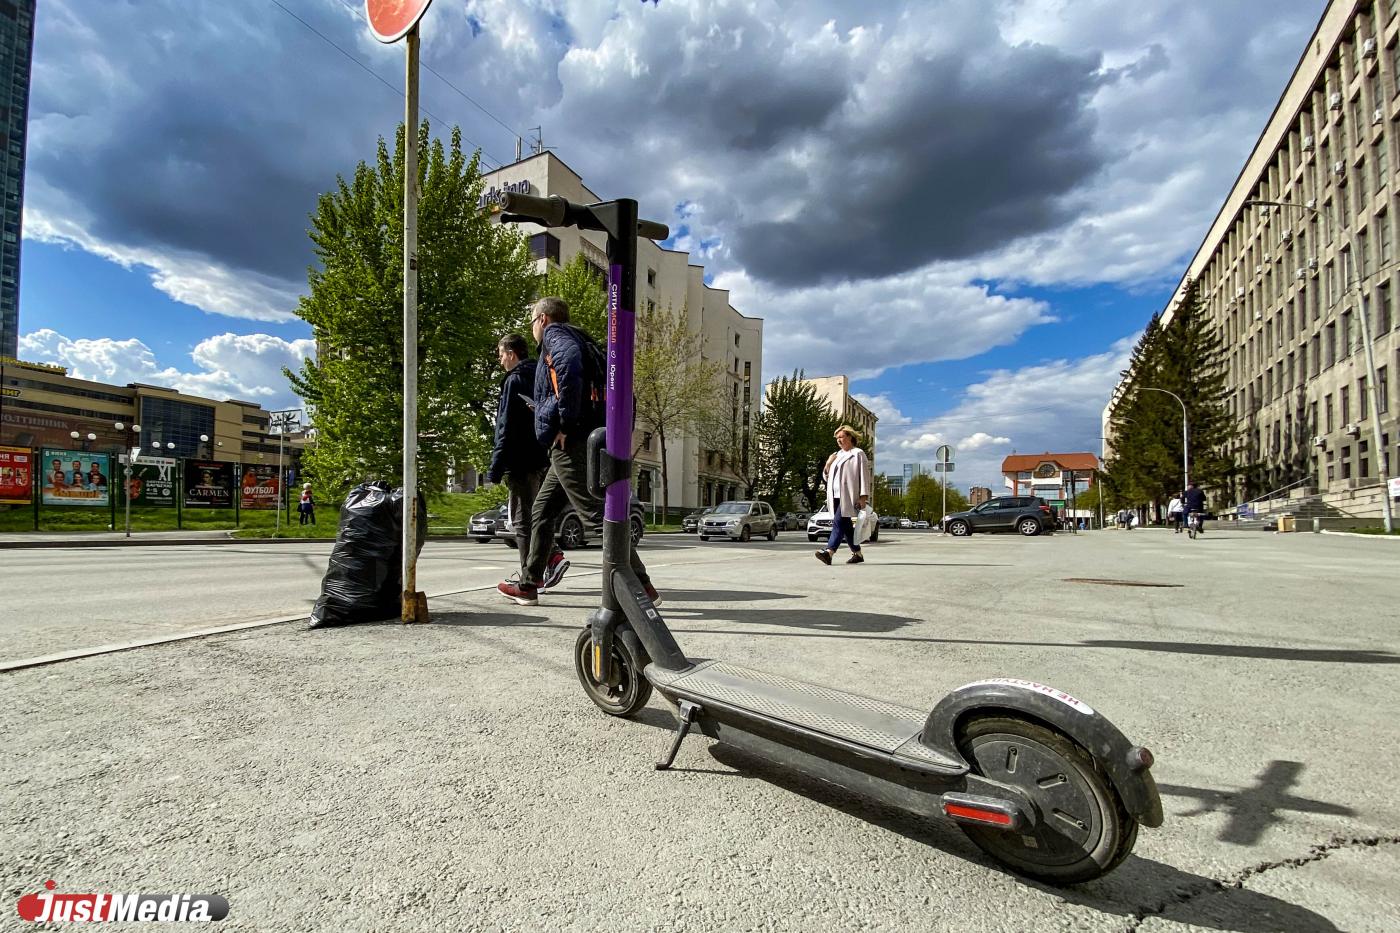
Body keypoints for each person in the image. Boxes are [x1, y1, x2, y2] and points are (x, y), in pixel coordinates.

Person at [498, 297, 658, 608]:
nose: (532, 328)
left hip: (571, 443)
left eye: (532, 321)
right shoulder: (583, 339)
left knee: (598, 516)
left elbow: (568, 369)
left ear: (543, 319)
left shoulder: (556, 338)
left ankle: (642, 587)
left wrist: (564, 423)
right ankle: (529, 583)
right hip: (580, 441)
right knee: (541, 512)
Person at [486, 333, 568, 590]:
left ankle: (530, 579)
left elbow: (506, 426)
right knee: (537, 513)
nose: (500, 361)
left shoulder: (514, 379)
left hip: (519, 458)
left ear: (511, 353)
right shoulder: (541, 372)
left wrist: (496, 466)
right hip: (542, 455)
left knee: (522, 520)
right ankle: (550, 557)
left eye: (501, 355)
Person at [815, 424, 872, 565]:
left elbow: (864, 476)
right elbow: (827, 477)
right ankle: (858, 554)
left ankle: (829, 552)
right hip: (834, 495)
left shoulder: (858, 453)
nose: (838, 440)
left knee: (838, 522)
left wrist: (863, 496)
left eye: (841, 437)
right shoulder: (837, 455)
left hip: (849, 495)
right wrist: (828, 464)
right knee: (846, 526)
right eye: (837, 438)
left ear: (850, 437)